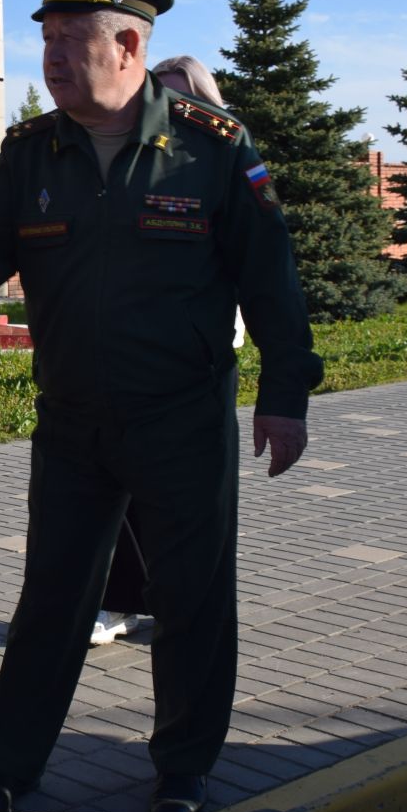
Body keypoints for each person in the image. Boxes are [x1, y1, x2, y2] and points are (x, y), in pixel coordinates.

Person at [0, 0, 322, 812]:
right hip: (70, 419)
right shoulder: (33, 149)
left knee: (191, 600)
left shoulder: (211, 150)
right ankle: (9, 770)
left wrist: (285, 392)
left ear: (131, 48)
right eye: (48, 41)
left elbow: (272, 278)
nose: (54, 57)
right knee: (52, 600)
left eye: (74, 39)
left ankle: (183, 768)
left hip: (181, 417)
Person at [90, 55, 246, 648]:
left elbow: (254, 266)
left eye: (188, 99)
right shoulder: (128, 164)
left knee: (194, 498)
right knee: (124, 488)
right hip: (131, 360)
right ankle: (119, 601)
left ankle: (188, 608)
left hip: (202, 361)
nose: (176, 111)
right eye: (164, 97)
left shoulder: (229, 165)